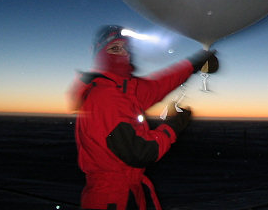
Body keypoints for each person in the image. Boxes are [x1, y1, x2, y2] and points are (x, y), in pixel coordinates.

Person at [69, 25, 219, 210]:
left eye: (125, 48)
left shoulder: (122, 88)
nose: (123, 53)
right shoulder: (105, 96)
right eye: (114, 48)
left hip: (124, 193)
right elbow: (140, 152)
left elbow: (160, 84)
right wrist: (173, 126)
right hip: (112, 199)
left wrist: (194, 64)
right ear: (100, 54)